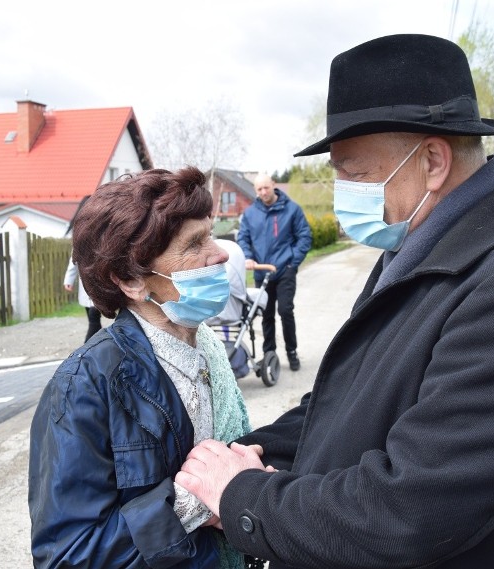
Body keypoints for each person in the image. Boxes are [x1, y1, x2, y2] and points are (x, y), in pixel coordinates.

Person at [175, 34, 494, 569]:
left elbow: (412, 509)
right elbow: (349, 403)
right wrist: (250, 454)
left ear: (431, 162)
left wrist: (243, 498)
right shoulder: (418, 246)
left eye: (354, 173)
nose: (342, 191)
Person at [28, 167, 254, 569]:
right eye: (194, 243)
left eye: (211, 234)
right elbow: (68, 555)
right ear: (131, 281)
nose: (219, 253)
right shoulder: (84, 385)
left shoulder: (206, 346)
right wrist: (198, 498)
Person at [236, 173, 311, 371]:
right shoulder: (250, 214)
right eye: (259, 189)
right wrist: (248, 256)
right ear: (255, 191)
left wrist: (292, 262)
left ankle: (292, 352)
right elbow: (243, 238)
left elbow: (304, 236)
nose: (263, 192)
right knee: (266, 314)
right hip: (262, 272)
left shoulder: (292, 209)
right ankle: (270, 353)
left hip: (285, 269)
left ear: (273, 185)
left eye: (266, 188)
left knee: (285, 311)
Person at [63, 195, 102, 342]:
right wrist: (69, 279)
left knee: (94, 319)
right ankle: (90, 352)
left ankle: (88, 352)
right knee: (93, 319)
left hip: (100, 280)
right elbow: (74, 258)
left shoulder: (103, 227)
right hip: (87, 282)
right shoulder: (80, 230)